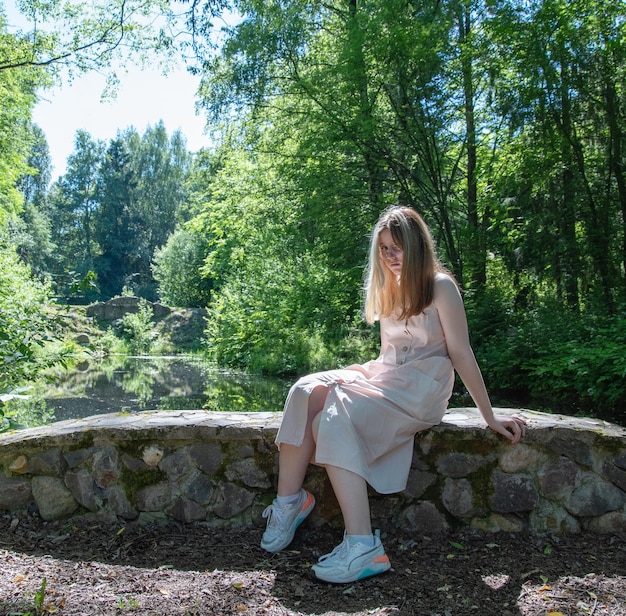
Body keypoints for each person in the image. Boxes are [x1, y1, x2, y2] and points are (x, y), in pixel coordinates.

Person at [260, 205, 526, 584]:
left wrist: (489, 416)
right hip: (389, 376)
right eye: (384, 248)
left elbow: (461, 353)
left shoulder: (440, 286)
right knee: (305, 389)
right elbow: (391, 353)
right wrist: (358, 372)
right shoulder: (389, 285)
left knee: (333, 415)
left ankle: (363, 546)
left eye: (397, 247)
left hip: (422, 389)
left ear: (417, 246)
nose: (390, 256)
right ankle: (290, 503)